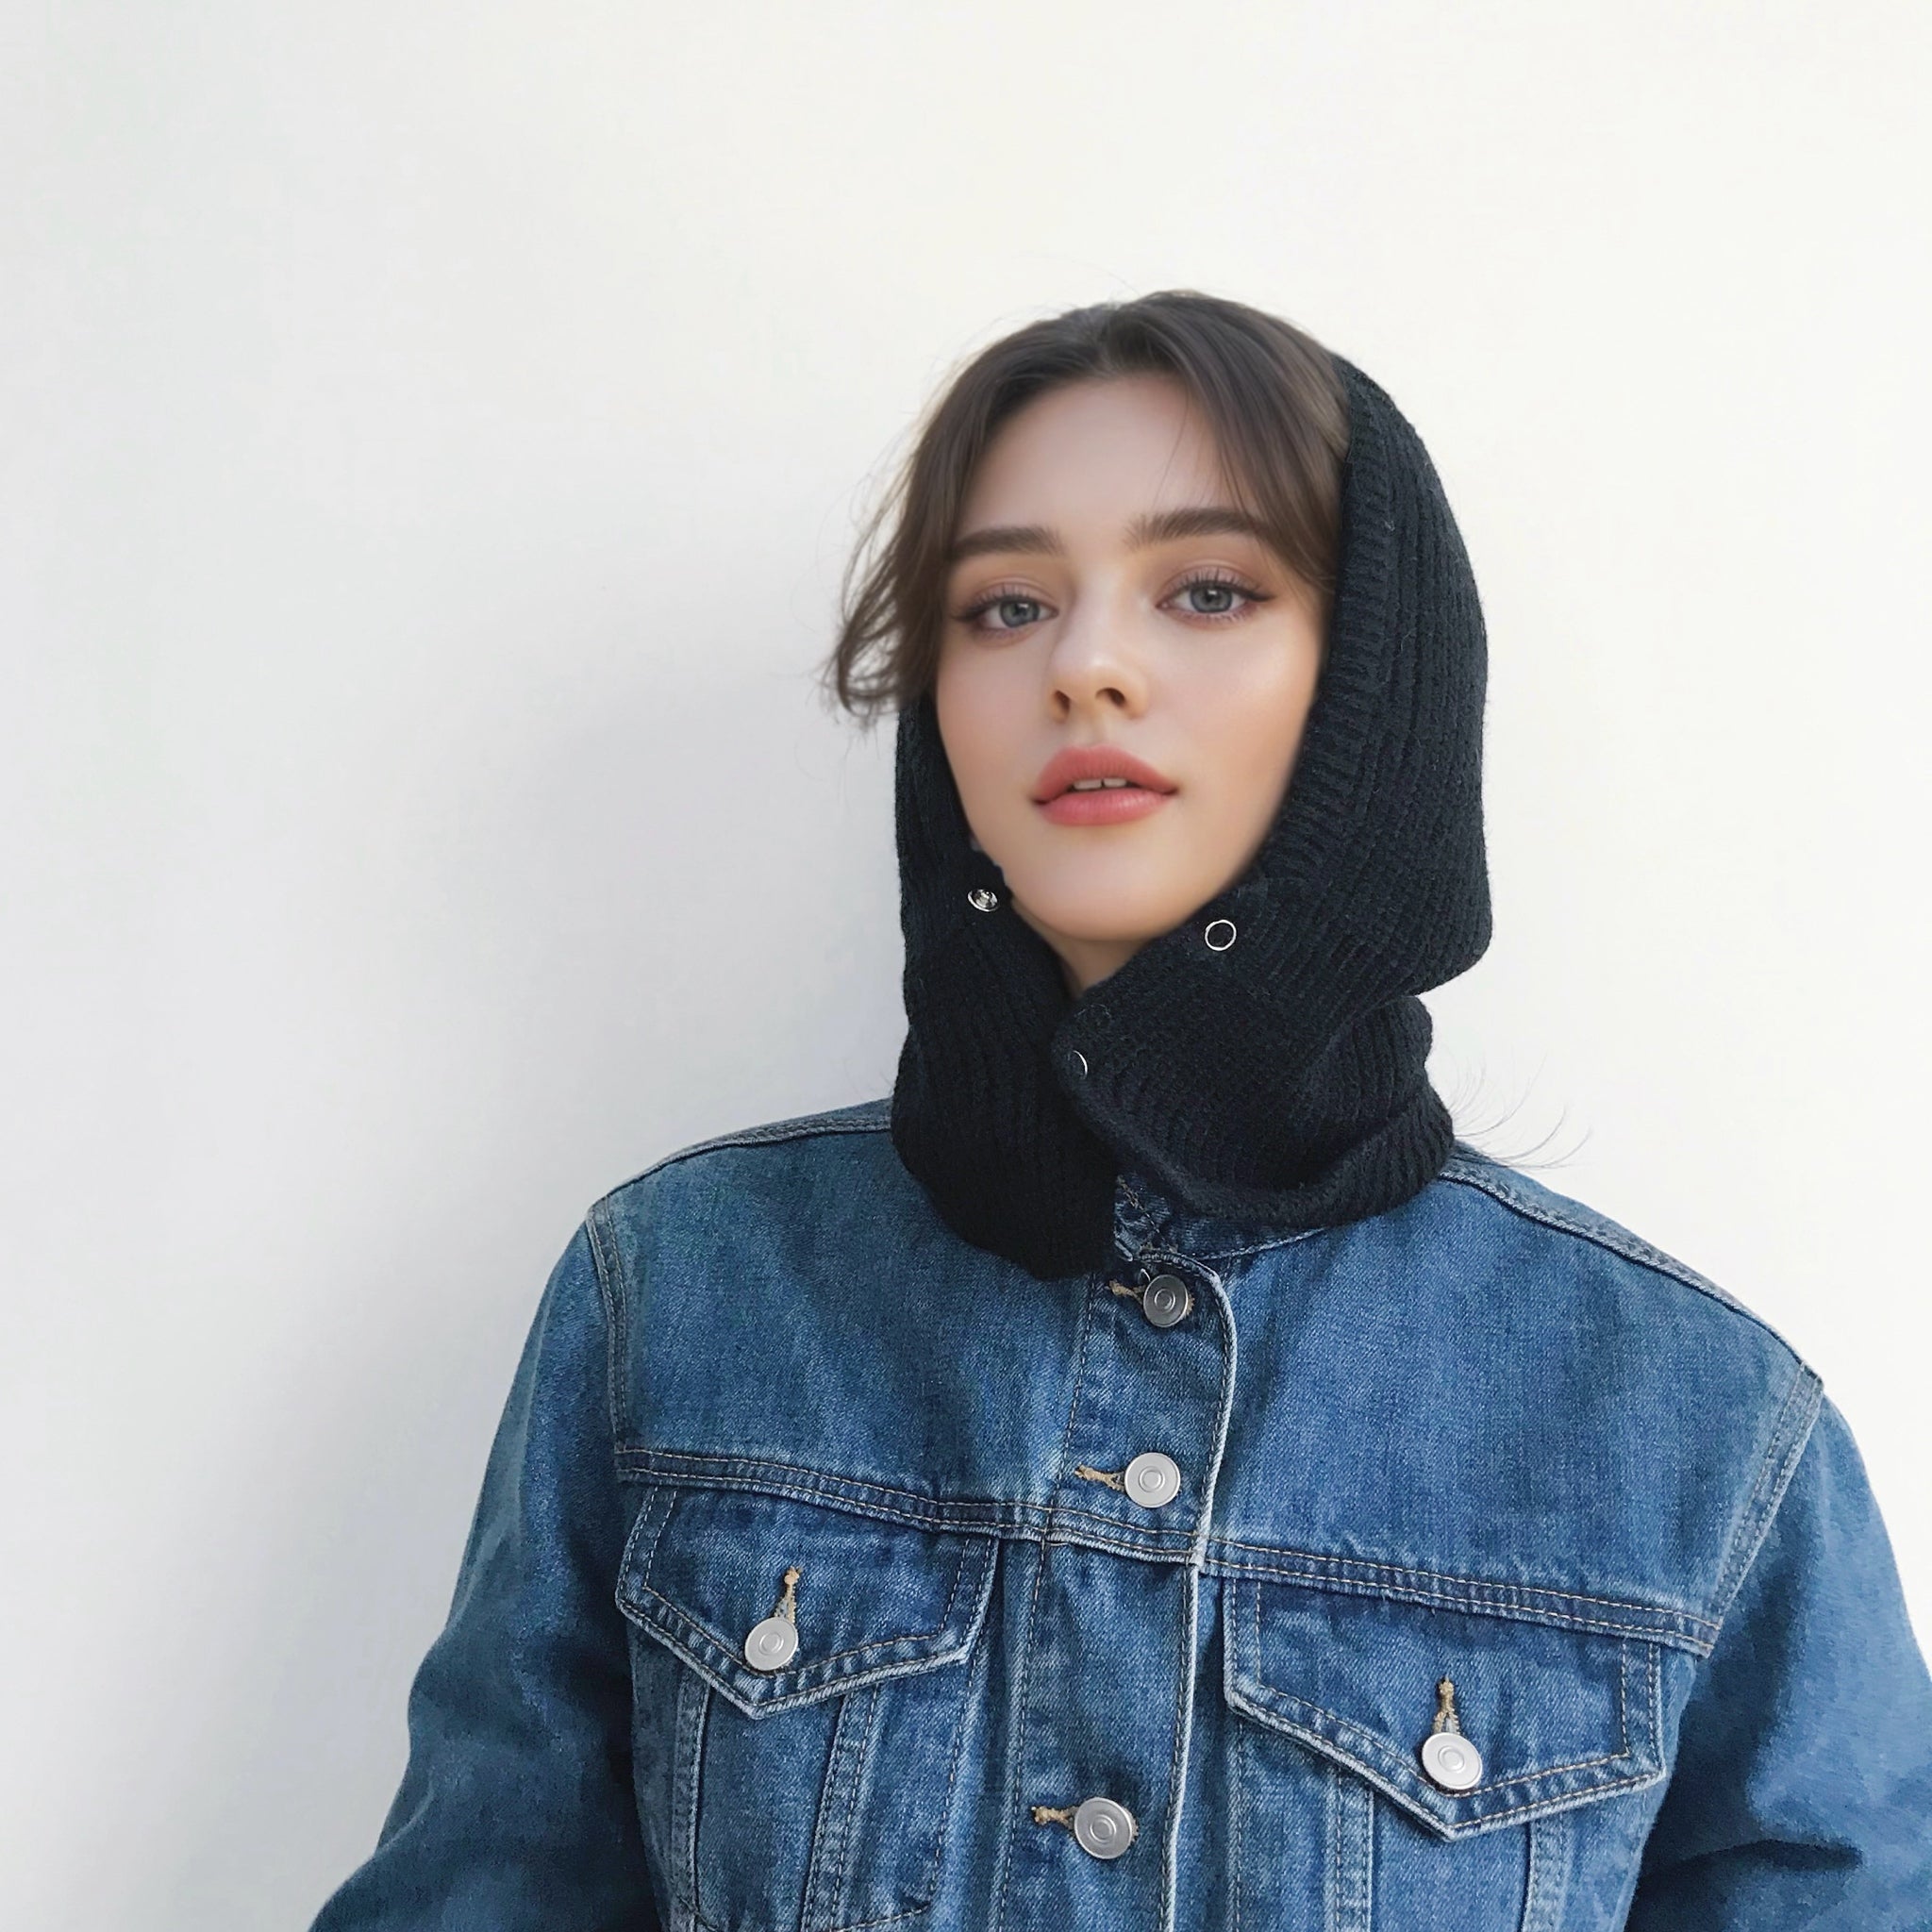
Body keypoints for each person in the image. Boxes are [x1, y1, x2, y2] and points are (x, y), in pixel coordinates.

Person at [308, 291, 1932, 1930]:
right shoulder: (676, 1295)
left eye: (1209, 590)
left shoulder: (1701, 1430)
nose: (1084, 665)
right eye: (1005, 606)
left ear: (1381, 680)